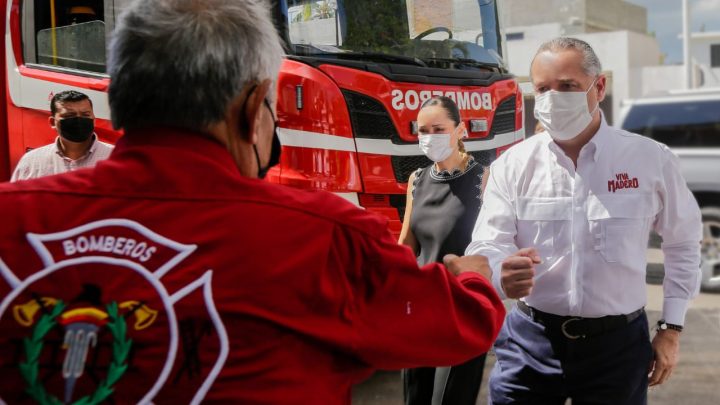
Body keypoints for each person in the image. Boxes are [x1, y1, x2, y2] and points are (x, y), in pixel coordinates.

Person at [0, 1, 505, 404]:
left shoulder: (13, 219)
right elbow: (460, 322)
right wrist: (473, 274)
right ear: (250, 107)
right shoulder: (322, 238)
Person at [466, 37, 702, 404]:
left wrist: (671, 328)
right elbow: (486, 242)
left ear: (599, 87)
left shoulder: (650, 160)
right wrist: (499, 271)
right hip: (530, 343)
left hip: (618, 349)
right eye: (542, 88)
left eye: (568, 86)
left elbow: (683, 242)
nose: (552, 98)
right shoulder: (512, 166)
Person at [399, 96, 490, 405]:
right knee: (416, 398)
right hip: (419, 313)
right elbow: (406, 247)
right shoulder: (417, 180)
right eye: (422, 130)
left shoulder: (484, 179)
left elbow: (493, 247)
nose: (429, 137)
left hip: (461, 315)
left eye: (438, 129)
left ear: (460, 130)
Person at [10, 90, 113, 181]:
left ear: (94, 120)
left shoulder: (116, 157)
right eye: (69, 115)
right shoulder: (32, 162)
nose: (78, 120)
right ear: (52, 122)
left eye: (85, 115)